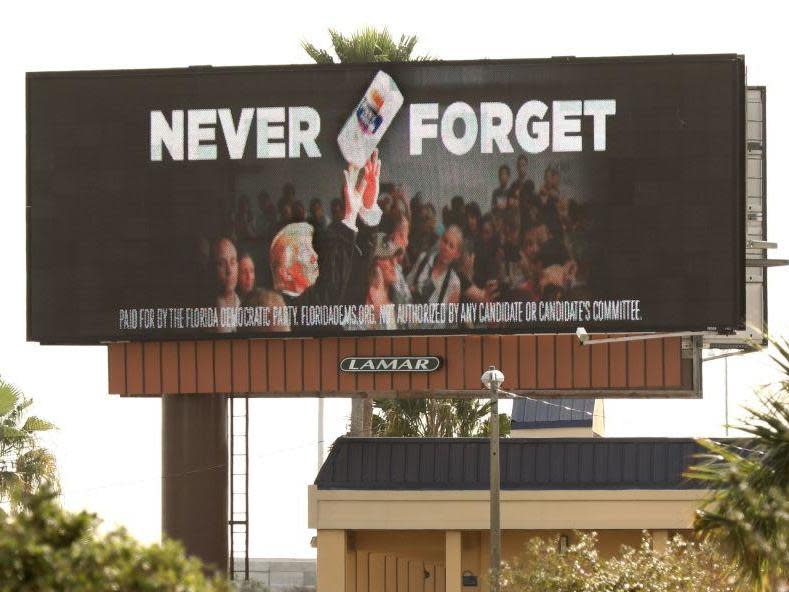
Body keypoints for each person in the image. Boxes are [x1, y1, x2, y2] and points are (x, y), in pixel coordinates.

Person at [269, 149, 383, 314]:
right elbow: (329, 296)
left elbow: (354, 275)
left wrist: (366, 208)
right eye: (303, 251)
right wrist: (350, 216)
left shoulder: (324, 296)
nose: (315, 256)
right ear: (285, 272)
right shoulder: (284, 308)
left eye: (311, 249)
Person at [407, 224, 463, 307]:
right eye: (445, 241)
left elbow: (449, 317)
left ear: (457, 254)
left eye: (451, 246)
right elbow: (406, 286)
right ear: (440, 240)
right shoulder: (423, 259)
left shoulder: (454, 283)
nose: (446, 248)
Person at [211, 237, 240, 333]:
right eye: (221, 264)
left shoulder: (244, 303)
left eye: (232, 262)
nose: (229, 270)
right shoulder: (208, 312)